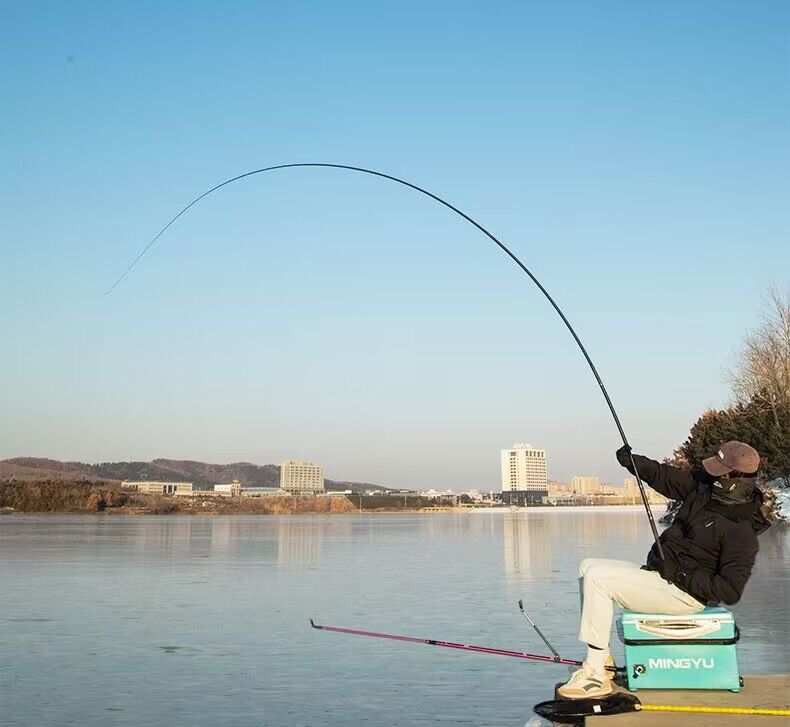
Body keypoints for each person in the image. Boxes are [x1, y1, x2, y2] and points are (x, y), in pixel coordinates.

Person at [558, 440, 772, 699]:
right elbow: (666, 477)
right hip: (663, 577)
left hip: (685, 595)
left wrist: (680, 574)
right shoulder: (705, 489)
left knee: (597, 579)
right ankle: (601, 658)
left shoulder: (741, 530)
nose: (712, 473)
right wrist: (635, 464)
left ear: (735, 479)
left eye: (720, 470)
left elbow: (729, 590)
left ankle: (595, 676)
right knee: (588, 567)